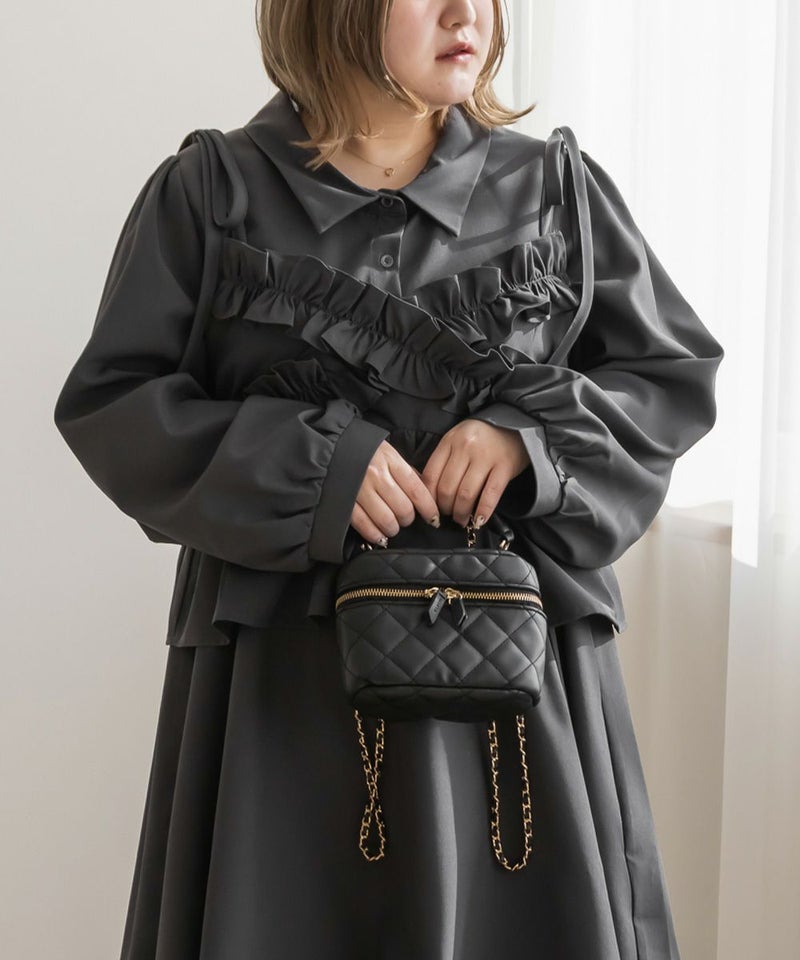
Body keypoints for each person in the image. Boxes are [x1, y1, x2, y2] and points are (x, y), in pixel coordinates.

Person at [53, 1, 724, 957]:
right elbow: (115, 405)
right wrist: (314, 466)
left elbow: (667, 381)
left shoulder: (552, 192)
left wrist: (525, 441)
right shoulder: (212, 194)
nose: (468, 14)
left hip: (520, 698)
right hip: (285, 693)